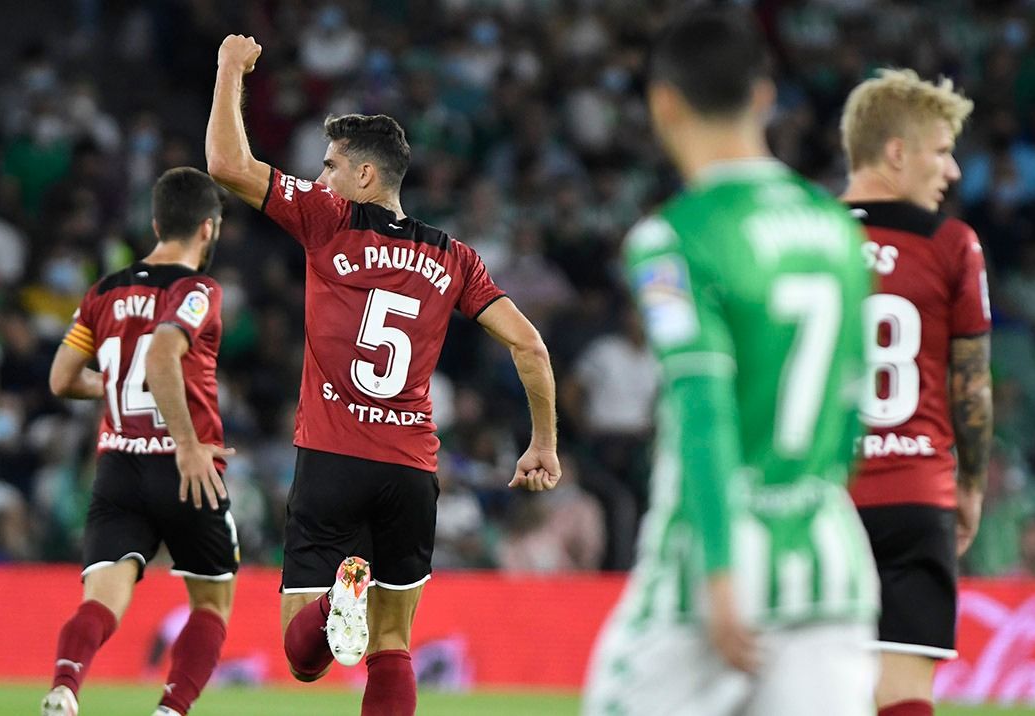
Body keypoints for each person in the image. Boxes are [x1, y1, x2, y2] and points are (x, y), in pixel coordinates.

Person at [206, 34, 560, 716]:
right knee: (392, 644)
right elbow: (533, 348)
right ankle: (355, 605)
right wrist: (542, 442)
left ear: (366, 177)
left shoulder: (328, 218)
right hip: (410, 469)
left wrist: (229, 68)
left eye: (332, 165)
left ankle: (340, 597)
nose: (324, 177)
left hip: (332, 458)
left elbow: (226, 162)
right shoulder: (455, 257)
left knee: (302, 656)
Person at [583, 8, 879, 715]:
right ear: (764, 95)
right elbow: (855, 407)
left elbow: (702, 411)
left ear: (663, 104)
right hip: (829, 568)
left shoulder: (672, 240)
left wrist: (722, 569)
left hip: (710, 578)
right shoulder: (836, 229)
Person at [40, 167, 238, 716]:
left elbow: (61, 379)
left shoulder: (103, 291)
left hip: (118, 467)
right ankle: (171, 708)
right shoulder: (198, 289)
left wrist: (115, 384)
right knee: (212, 603)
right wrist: (188, 444)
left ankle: (64, 687)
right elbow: (160, 353)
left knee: (102, 600)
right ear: (208, 228)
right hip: (185, 470)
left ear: (155, 223)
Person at [840, 68, 992, 716]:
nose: (952, 170)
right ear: (897, 152)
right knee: (904, 698)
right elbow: (972, 386)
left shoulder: (806, 236)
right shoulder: (952, 244)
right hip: (915, 499)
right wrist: (972, 485)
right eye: (940, 150)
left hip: (821, 500)